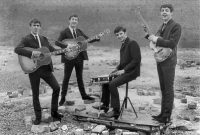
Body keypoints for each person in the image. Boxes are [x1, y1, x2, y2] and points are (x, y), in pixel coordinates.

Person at [14, 18, 64, 125]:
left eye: (38, 25)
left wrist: (65, 51)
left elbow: (53, 50)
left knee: (56, 87)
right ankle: (38, 117)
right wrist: (31, 54)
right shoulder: (26, 39)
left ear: (40, 27)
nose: (36, 27)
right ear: (30, 26)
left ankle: (54, 113)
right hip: (34, 70)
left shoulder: (44, 39)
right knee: (36, 93)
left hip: (46, 68)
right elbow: (17, 49)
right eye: (34, 25)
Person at [94, 26, 141, 119]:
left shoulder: (132, 43)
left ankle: (116, 111)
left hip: (132, 72)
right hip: (124, 70)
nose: (119, 36)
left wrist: (123, 70)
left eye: (121, 34)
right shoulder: (123, 45)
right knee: (107, 80)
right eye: (117, 35)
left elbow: (136, 60)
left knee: (112, 84)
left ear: (125, 33)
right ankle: (105, 105)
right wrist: (116, 69)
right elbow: (123, 62)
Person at [145, 4, 181, 123]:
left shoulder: (176, 26)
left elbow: (171, 43)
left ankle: (166, 116)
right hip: (160, 59)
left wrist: (155, 39)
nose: (164, 12)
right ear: (160, 13)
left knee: (168, 88)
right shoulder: (161, 26)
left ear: (172, 13)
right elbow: (156, 41)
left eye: (167, 10)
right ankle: (162, 114)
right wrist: (149, 36)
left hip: (169, 61)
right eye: (162, 11)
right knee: (163, 88)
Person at [55, 14, 100, 106]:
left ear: (77, 22)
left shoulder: (79, 31)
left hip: (79, 57)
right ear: (69, 21)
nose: (74, 21)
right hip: (69, 58)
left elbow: (87, 39)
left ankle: (84, 96)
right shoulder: (64, 32)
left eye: (76, 20)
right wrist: (67, 46)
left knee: (80, 77)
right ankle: (63, 97)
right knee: (66, 78)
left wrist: (96, 38)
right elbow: (57, 42)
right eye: (72, 19)